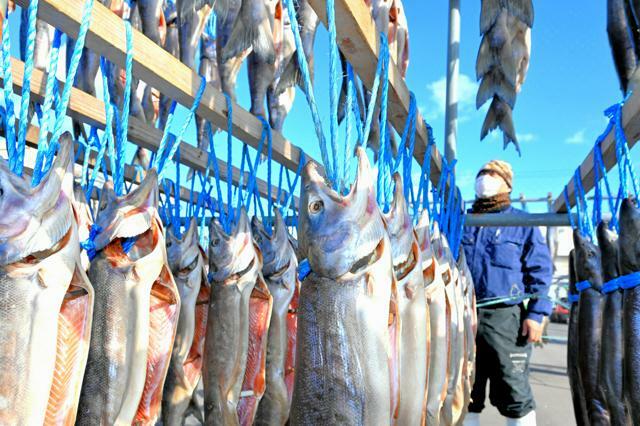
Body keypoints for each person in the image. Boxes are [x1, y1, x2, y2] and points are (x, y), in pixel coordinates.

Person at [461, 160, 552, 426]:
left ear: (507, 184)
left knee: (513, 389)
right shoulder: (463, 221)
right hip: (464, 314)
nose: (485, 178)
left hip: (506, 318)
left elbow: (540, 270)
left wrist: (536, 314)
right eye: (481, 173)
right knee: (466, 388)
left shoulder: (521, 222)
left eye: (492, 174)